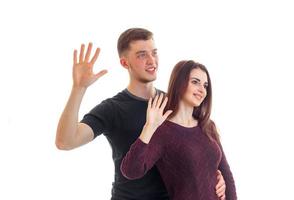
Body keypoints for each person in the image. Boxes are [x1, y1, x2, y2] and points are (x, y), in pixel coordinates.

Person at [55, 28, 226, 200]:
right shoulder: (113, 109)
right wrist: (79, 88)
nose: (152, 61)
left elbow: (199, 150)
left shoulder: (173, 104)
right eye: (142, 55)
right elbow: (65, 141)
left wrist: (216, 176)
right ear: (124, 63)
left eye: (154, 53)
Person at [121, 60, 237, 200]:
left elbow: (226, 173)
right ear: (180, 83)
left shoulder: (208, 126)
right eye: (195, 82)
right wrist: (149, 127)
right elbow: (131, 170)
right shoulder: (163, 131)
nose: (202, 90)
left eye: (205, 85)